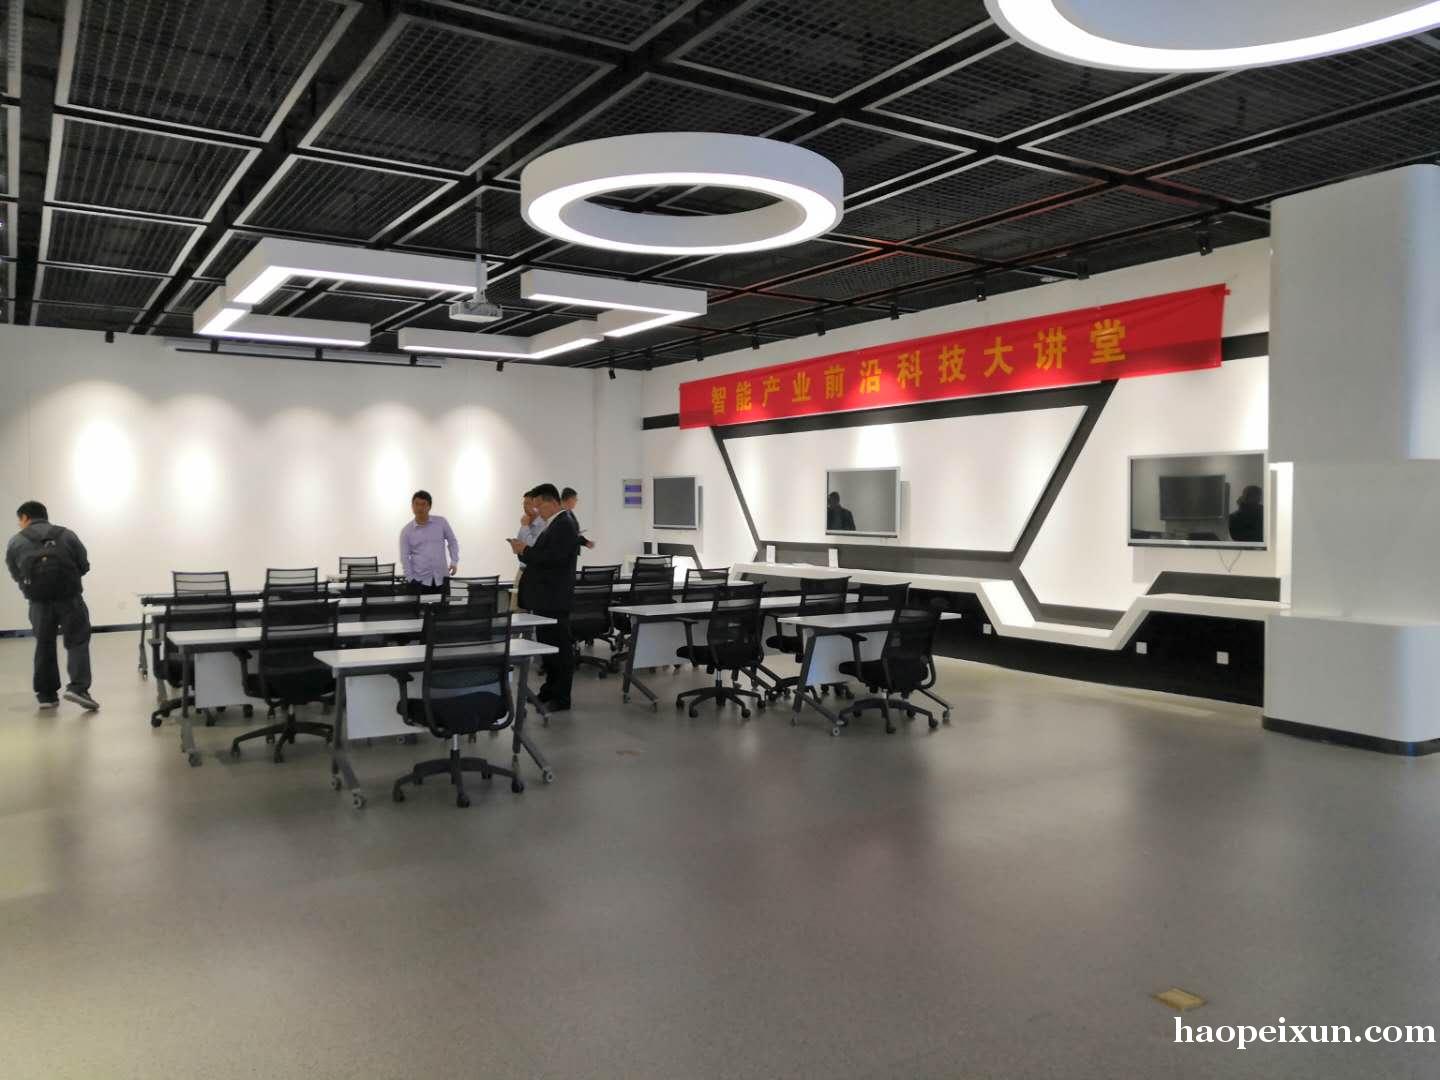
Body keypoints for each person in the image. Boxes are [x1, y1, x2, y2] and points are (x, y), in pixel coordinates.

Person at [5, 500, 98, 711]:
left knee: (44, 644)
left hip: (39, 603)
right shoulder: (67, 535)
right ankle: (78, 688)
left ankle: (46, 696)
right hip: (70, 599)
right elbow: (84, 565)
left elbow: (15, 572)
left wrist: (29, 586)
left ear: (25, 517)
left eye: (20, 520)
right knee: (77, 641)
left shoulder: (16, 541)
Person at [509, 484, 579, 711]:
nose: (537, 510)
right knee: (549, 648)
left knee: (559, 649)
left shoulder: (564, 524)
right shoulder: (555, 524)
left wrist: (525, 550)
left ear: (552, 502)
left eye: (539, 505)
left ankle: (561, 697)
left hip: (554, 598)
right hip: (546, 598)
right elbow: (544, 556)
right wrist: (524, 551)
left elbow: (554, 559)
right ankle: (549, 690)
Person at [399, 489, 459, 590]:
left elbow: (452, 542)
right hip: (419, 581)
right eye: (416, 504)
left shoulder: (441, 523)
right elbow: (404, 557)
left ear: (429, 507)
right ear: (412, 506)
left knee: (444, 601)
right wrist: (410, 579)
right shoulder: (406, 531)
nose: (419, 508)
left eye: (423, 504)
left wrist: (454, 561)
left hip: (442, 578)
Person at [561, 487, 596, 551]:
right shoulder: (557, 513)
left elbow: (574, 534)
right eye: (575, 499)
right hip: (562, 552)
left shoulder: (570, 513)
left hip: (571, 552)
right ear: (570, 499)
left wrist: (586, 542)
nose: (576, 501)